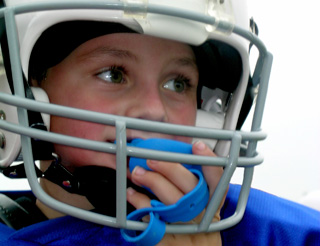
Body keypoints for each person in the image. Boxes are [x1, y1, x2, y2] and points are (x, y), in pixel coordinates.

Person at [0, 0, 319, 245]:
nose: (155, 110)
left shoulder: (286, 235)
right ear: (27, 95)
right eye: (113, 74)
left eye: (178, 84)